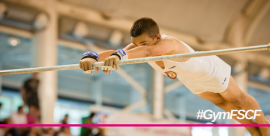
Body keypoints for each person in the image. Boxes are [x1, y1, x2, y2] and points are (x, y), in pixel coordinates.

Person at [79, 17, 269, 136]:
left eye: (144, 43)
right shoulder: (138, 48)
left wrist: (120, 56)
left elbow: (145, 53)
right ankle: (256, 133)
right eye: (135, 44)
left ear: (158, 37)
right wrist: (92, 56)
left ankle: (265, 127)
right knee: (225, 105)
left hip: (209, 71)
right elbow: (118, 51)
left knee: (237, 99)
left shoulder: (169, 43)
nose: (139, 47)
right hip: (191, 80)